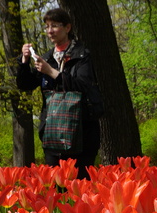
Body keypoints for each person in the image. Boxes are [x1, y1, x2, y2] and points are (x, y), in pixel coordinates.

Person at [17, 7, 103, 178]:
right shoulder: (47, 58)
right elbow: (25, 85)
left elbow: (83, 85)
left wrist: (51, 72)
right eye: (47, 26)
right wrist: (24, 62)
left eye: (54, 26)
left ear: (67, 28)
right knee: (56, 190)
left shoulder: (82, 55)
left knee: (80, 189)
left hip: (82, 133)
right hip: (54, 132)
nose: (50, 31)